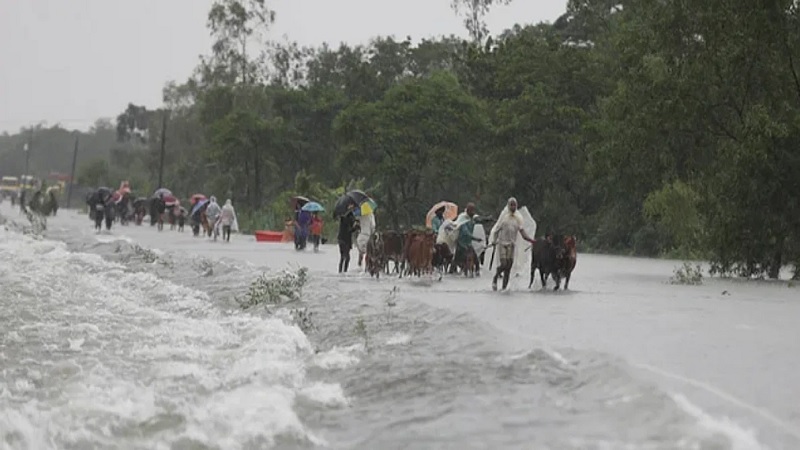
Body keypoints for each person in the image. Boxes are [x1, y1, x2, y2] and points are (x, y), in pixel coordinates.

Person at [491, 197, 536, 291]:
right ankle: (496, 276)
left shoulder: (518, 218)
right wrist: (494, 241)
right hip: (502, 243)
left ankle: (503, 288)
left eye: (514, 205)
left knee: (508, 267)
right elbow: (496, 230)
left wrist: (531, 240)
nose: (513, 207)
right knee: (503, 264)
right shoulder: (504, 217)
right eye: (511, 205)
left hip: (512, 245)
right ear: (508, 205)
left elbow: (522, 232)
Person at [451, 203, 481, 274]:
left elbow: (480, 220)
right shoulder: (463, 219)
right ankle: (452, 270)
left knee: (476, 260)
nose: (472, 212)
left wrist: (488, 219)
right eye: (471, 211)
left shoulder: (472, 219)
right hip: (461, 243)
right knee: (457, 260)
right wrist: (475, 238)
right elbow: (466, 232)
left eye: (473, 210)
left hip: (468, 243)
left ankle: (476, 271)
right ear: (467, 210)